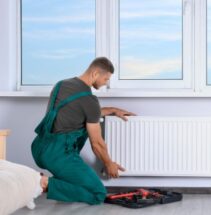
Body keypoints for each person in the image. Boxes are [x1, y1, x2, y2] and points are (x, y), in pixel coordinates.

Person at [31, 57, 135, 205]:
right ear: (95, 74)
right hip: (59, 155)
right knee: (98, 193)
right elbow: (97, 143)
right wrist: (108, 163)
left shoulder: (61, 85)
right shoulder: (90, 101)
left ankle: (54, 182)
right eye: (106, 79)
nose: (106, 83)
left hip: (40, 148)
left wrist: (112, 110)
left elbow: (76, 111)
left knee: (76, 182)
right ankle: (43, 182)